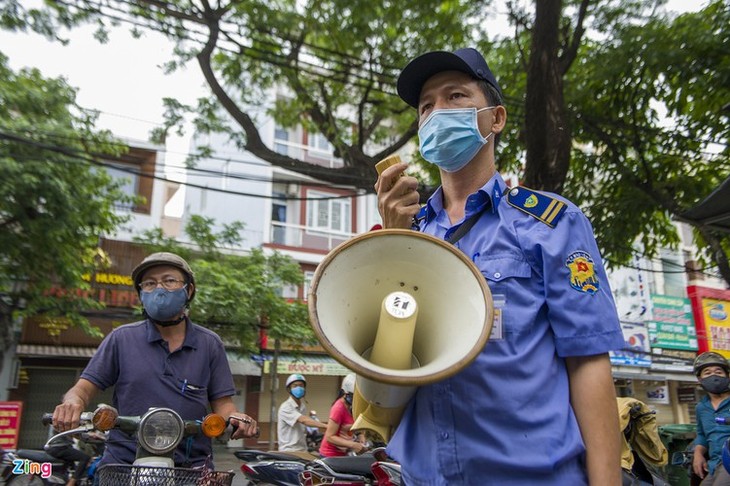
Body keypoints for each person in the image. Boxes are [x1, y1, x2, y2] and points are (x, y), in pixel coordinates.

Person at [374, 47, 626, 485]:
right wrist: (395, 243)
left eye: (456, 96)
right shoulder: (404, 231)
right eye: (426, 106)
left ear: (496, 119)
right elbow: (382, 362)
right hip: (421, 476)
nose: (438, 113)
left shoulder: (552, 222)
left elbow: (586, 361)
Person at [52, 252, 258, 471]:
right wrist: (72, 403)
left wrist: (236, 417)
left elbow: (224, 404)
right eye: (149, 283)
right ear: (141, 294)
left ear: (188, 290)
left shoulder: (210, 344)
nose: (159, 289)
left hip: (190, 467)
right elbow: (82, 389)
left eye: (169, 280)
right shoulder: (121, 338)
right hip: (124, 464)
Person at [692, 351, 730, 485]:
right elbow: (702, 435)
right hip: (714, 464)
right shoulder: (701, 407)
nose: (713, 375)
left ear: (727, 376)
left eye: (719, 372)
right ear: (700, 379)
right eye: (707, 373)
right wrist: (698, 454)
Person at [277, 373, 328, 452]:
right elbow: (304, 420)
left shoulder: (302, 406)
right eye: (295, 385)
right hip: (289, 450)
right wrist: (326, 426)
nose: (299, 388)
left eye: (301, 385)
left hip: (302, 448)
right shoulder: (286, 407)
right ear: (289, 389)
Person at [319, 373, 365, 457]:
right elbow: (330, 437)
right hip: (330, 455)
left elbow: (353, 427)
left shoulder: (353, 407)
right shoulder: (338, 408)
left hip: (343, 454)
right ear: (345, 392)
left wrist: (360, 436)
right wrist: (353, 445)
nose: (355, 399)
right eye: (352, 396)